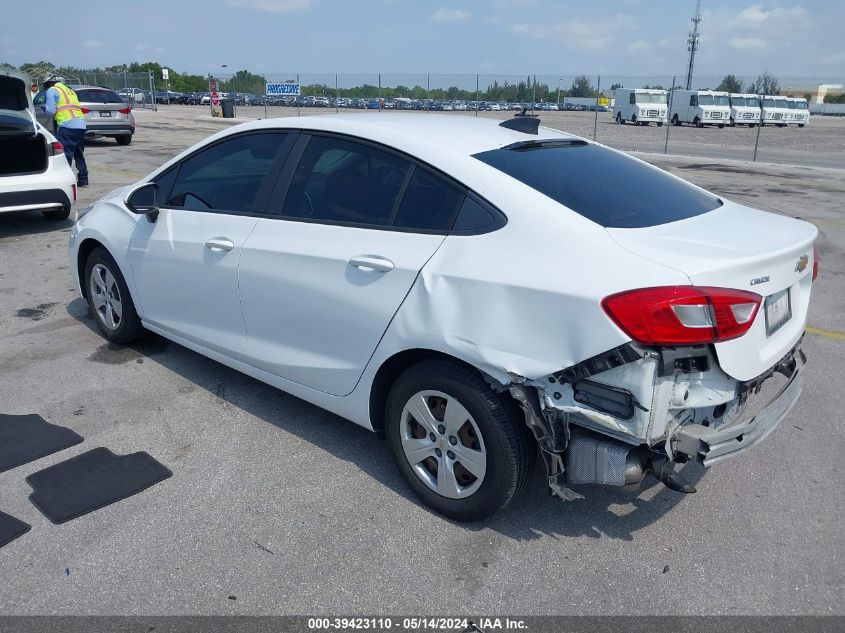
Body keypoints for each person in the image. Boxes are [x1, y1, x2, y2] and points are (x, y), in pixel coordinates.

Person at [43, 78, 88, 187]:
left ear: (49, 84)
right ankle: (83, 180)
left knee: (65, 155)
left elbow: (50, 111)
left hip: (67, 126)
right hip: (81, 125)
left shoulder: (52, 90)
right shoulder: (70, 91)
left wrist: (43, 109)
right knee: (78, 154)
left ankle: (66, 182)